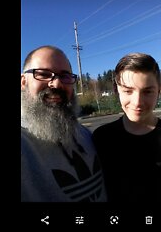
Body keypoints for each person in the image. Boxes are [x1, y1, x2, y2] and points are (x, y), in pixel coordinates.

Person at [21, 45, 107, 202]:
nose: (57, 84)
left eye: (65, 76)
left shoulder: (85, 134)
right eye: (44, 74)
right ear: (23, 82)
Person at [92, 53, 161, 203]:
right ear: (117, 91)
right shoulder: (102, 138)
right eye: (128, 91)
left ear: (159, 91)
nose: (137, 102)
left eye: (147, 91)